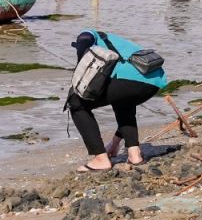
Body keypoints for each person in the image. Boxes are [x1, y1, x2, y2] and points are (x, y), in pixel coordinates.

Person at [66, 30, 167, 172]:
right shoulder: (114, 41)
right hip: (154, 81)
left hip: (131, 79)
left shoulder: (89, 34)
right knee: (123, 102)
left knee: (76, 104)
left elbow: (84, 38)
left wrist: (79, 63)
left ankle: (100, 159)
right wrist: (114, 143)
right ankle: (134, 154)